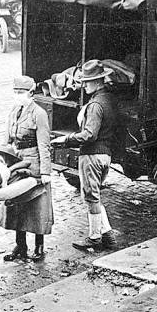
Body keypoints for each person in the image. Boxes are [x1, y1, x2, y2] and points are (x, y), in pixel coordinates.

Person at [51, 60, 119, 251]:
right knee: (95, 197)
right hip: (105, 155)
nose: (84, 85)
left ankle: (94, 237)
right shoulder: (109, 99)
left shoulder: (96, 105)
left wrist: (65, 140)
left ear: (97, 82)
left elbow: (89, 134)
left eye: (88, 81)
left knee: (91, 198)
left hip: (92, 156)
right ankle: (108, 236)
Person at [0, 76, 53, 262]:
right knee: (16, 204)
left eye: (21, 93)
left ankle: (39, 246)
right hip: (16, 161)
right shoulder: (14, 111)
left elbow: (44, 145)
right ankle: (20, 246)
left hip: (34, 164)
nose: (17, 96)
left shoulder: (39, 113)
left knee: (37, 206)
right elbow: (7, 139)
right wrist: (2, 159)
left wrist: (45, 172)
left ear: (31, 93)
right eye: (15, 92)